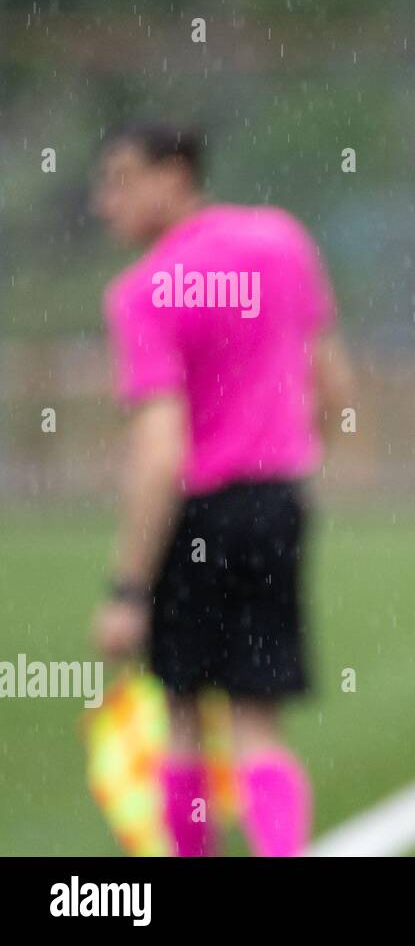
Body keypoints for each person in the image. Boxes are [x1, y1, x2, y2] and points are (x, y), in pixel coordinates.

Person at [90, 122, 355, 856]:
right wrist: (293, 468)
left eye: (120, 180)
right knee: (258, 727)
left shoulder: (142, 292)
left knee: (180, 722)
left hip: (194, 513)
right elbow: (333, 385)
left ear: (175, 176)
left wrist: (126, 587)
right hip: (275, 502)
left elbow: (159, 450)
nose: (104, 201)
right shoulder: (281, 241)